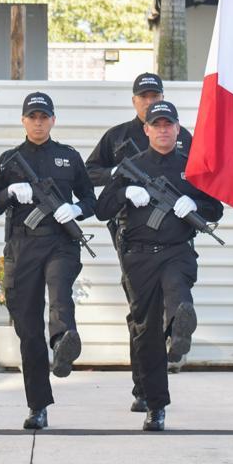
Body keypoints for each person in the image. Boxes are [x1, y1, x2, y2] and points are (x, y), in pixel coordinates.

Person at [95, 101, 223, 430]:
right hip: (138, 257)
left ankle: (180, 327)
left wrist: (194, 202)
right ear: (147, 130)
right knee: (146, 332)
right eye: (157, 124)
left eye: (169, 124)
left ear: (178, 129)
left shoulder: (191, 166)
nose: (163, 130)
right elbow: (102, 208)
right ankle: (156, 405)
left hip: (176, 250)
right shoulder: (129, 167)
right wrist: (126, 193)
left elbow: (214, 209)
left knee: (178, 294)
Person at [0, 92, 97, 430]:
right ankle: (38, 406)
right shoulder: (9, 160)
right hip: (23, 247)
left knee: (60, 290)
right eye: (32, 116)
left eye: (44, 117)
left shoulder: (68, 157)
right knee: (28, 329)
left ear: (53, 120)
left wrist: (75, 209)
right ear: (23, 121)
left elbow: (92, 199)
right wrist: (10, 192)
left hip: (61, 244)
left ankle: (62, 342)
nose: (38, 122)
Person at [85, 72, 193, 413]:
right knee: (142, 315)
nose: (150, 101)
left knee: (171, 298)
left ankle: (176, 333)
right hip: (129, 234)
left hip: (175, 235)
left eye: (155, 94)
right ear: (135, 102)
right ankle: (143, 388)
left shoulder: (182, 139)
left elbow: (203, 180)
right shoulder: (117, 138)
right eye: (144, 96)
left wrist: (195, 204)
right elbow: (90, 175)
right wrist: (119, 179)